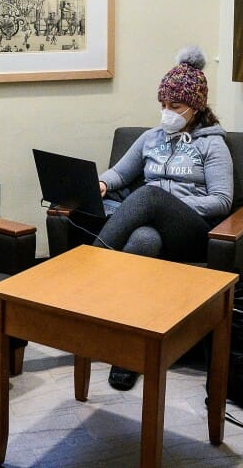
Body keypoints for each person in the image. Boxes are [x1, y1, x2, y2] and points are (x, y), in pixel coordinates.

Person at [94, 46, 233, 390]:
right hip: (156, 230)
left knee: (151, 195)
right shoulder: (150, 139)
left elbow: (222, 201)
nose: (166, 112)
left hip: (191, 230)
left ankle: (91, 266)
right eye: (163, 105)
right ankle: (127, 355)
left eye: (175, 106)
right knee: (143, 240)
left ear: (196, 107)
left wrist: (171, 202)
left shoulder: (212, 145)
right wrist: (100, 183)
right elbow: (119, 174)